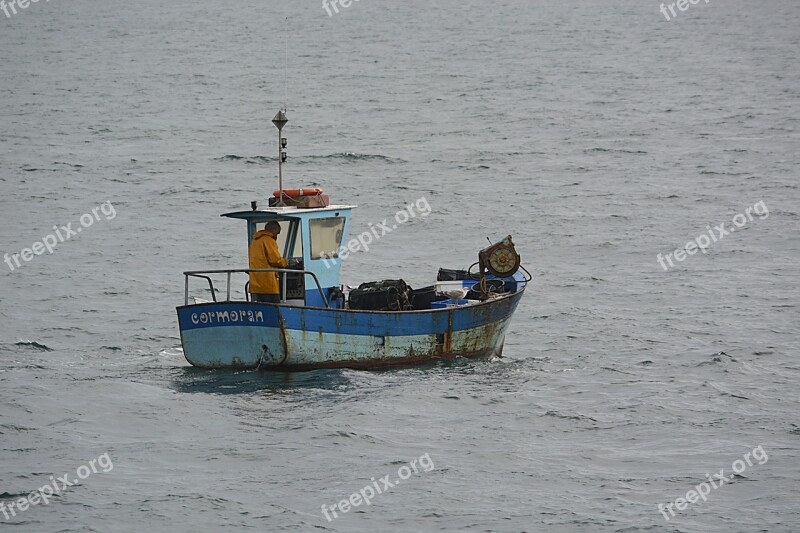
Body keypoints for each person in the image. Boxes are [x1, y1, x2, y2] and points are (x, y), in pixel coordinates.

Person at [248, 220, 289, 303]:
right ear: (273, 230)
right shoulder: (269, 240)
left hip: (255, 285)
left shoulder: (254, 241)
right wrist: (285, 262)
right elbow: (275, 260)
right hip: (268, 285)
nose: (276, 236)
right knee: (274, 309)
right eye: (277, 233)